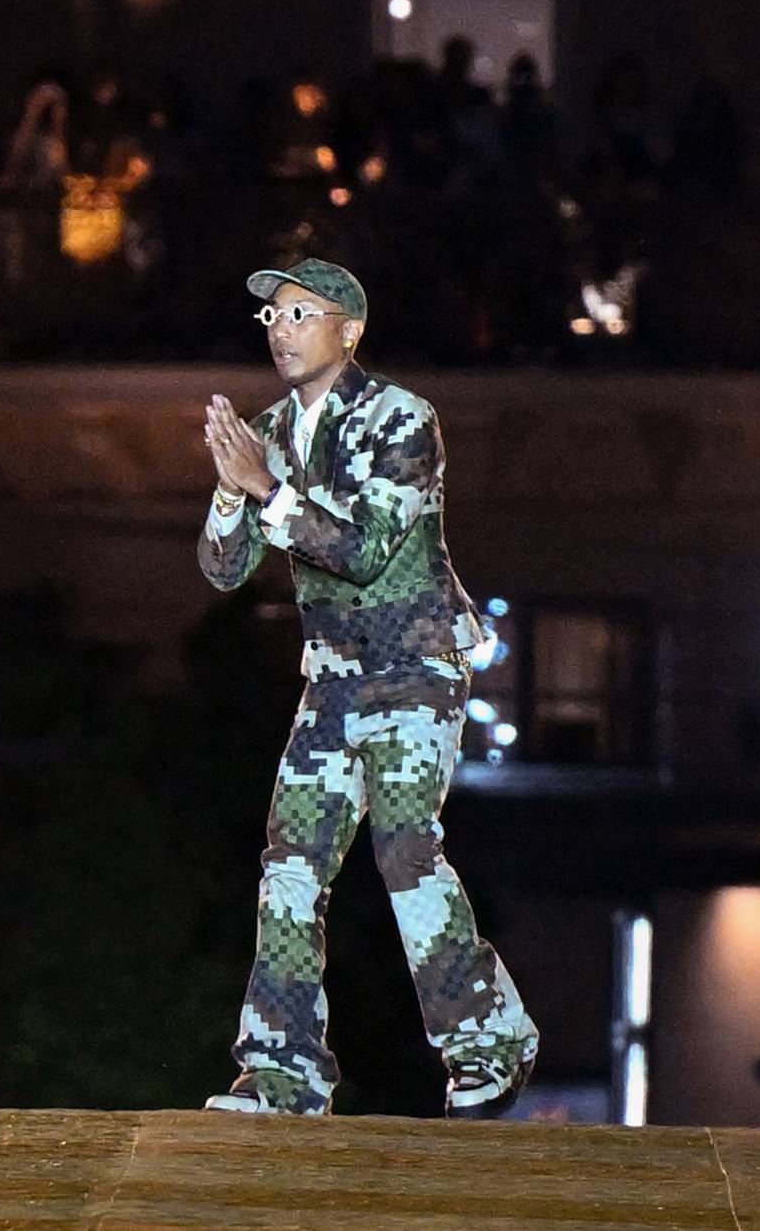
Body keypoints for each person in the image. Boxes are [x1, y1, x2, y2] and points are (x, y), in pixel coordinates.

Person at [197, 258, 537, 1118]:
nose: (280, 328)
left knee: (403, 849)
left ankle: (490, 1039)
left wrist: (265, 488)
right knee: (289, 865)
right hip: (333, 677)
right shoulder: (264, 431)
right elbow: (223, 568)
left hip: (414, 665)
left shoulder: (402, 418)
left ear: (348, 330)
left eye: (300, 313)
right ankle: (282, 1075)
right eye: (271, 316)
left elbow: (366, 546)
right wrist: (232, 493)